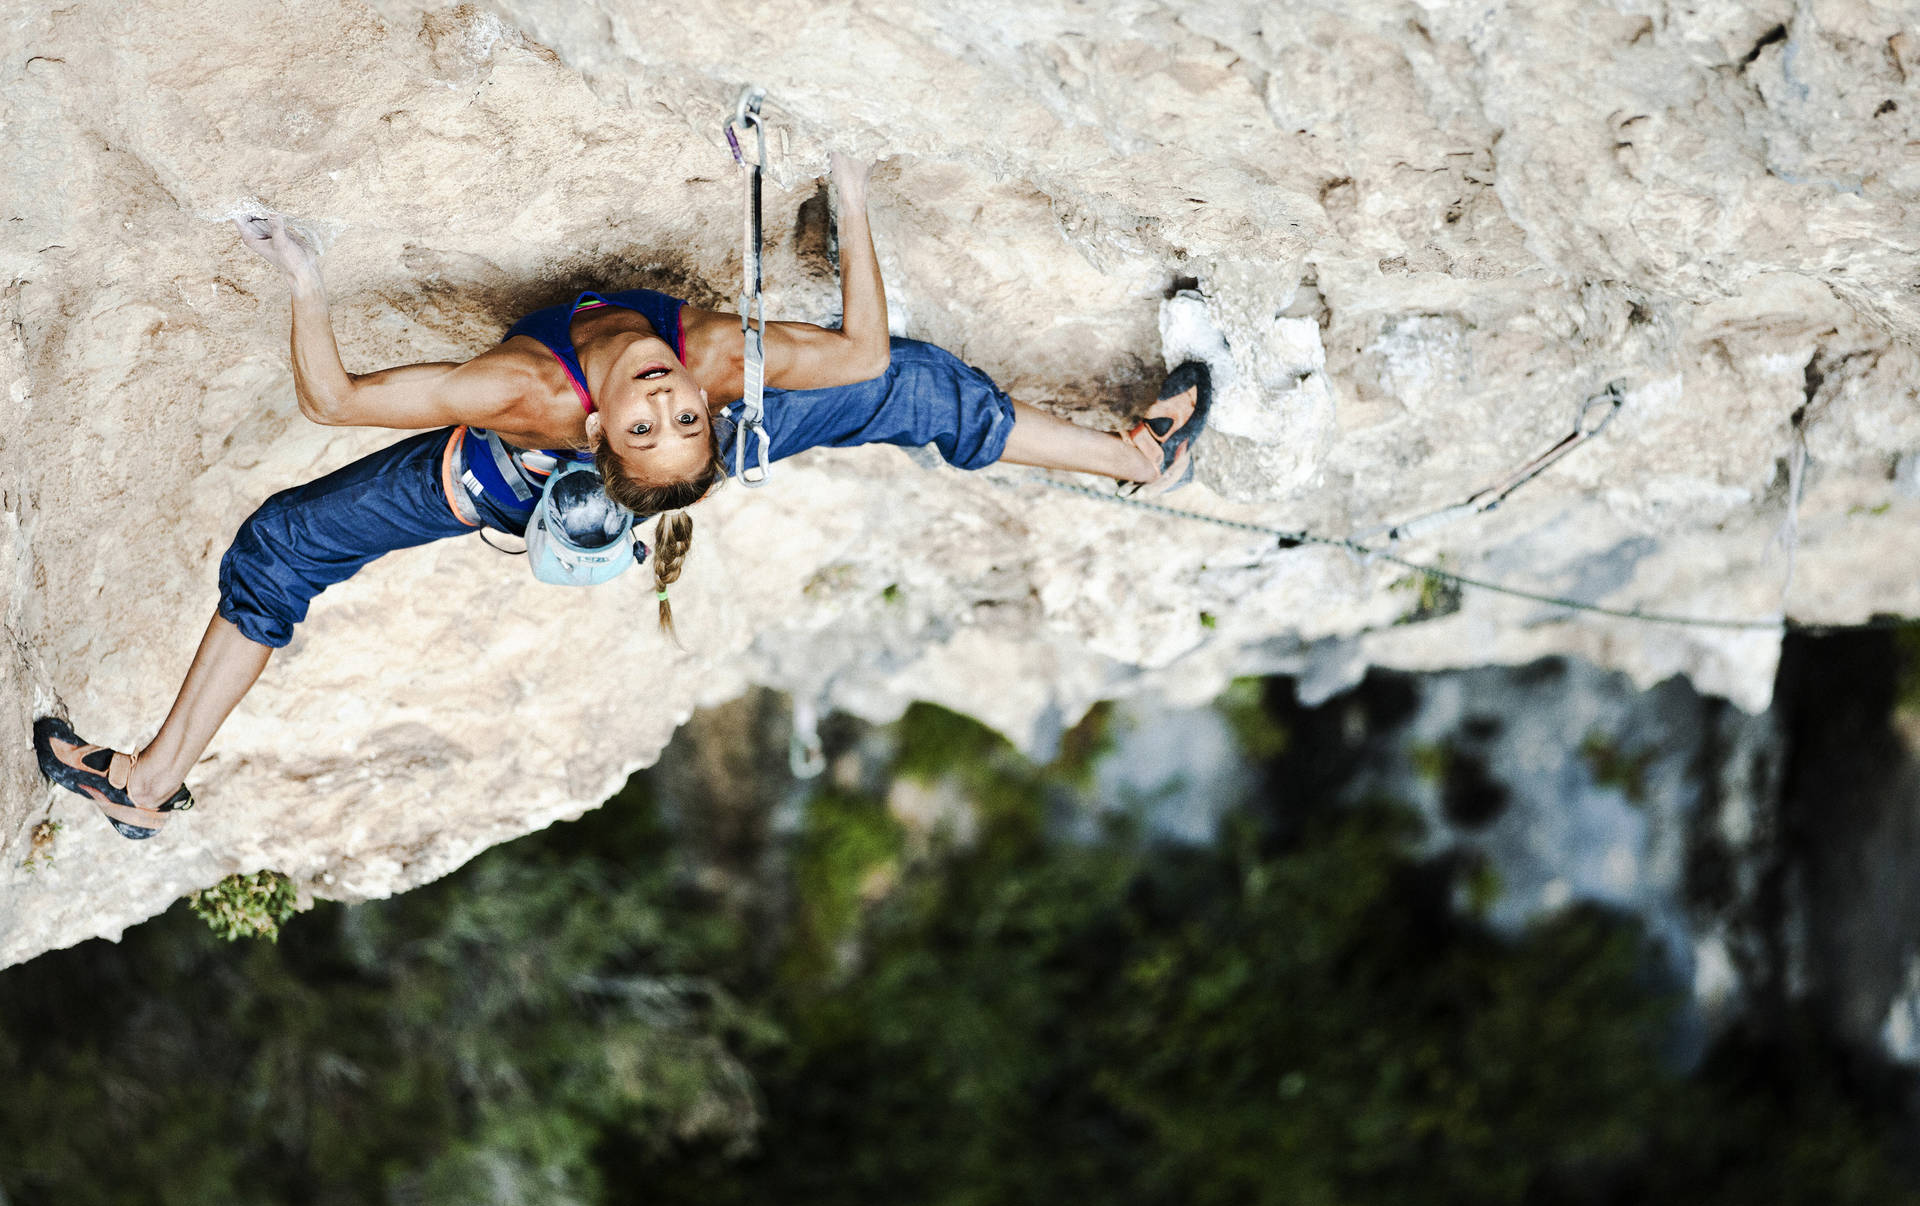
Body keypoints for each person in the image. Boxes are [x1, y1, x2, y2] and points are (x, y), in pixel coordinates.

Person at [33, 153, 1210, 839]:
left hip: (498, 479)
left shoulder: (601, 381)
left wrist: (300, 272)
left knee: (278, 546)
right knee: (913, 387)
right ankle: (144, 785)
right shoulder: (628, 373)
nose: (661, 396)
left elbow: (337, 399)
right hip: (619, 460)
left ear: (621, 430)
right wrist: (848, 189)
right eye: (672, 411)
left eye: (661, 416)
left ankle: (1136, 461)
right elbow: (855, 359)